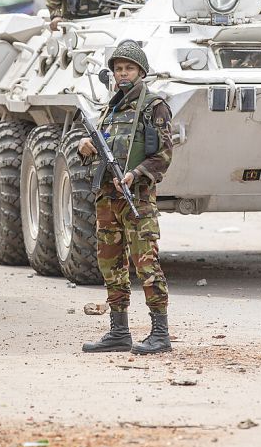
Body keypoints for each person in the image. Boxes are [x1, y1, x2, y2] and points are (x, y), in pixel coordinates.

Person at [77, 40, 174, 355]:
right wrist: (86, 147)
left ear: (141, 72)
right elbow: (102, 147)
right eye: (118, 68)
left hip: (138, 199)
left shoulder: (153, 106)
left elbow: (163, 155)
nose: (122, 74)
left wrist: (136, 174)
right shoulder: (110, 108)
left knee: (145, 264)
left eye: (129, 68)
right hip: (107, 198)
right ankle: (119, 332)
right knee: (110, 263)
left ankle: (160, 333)